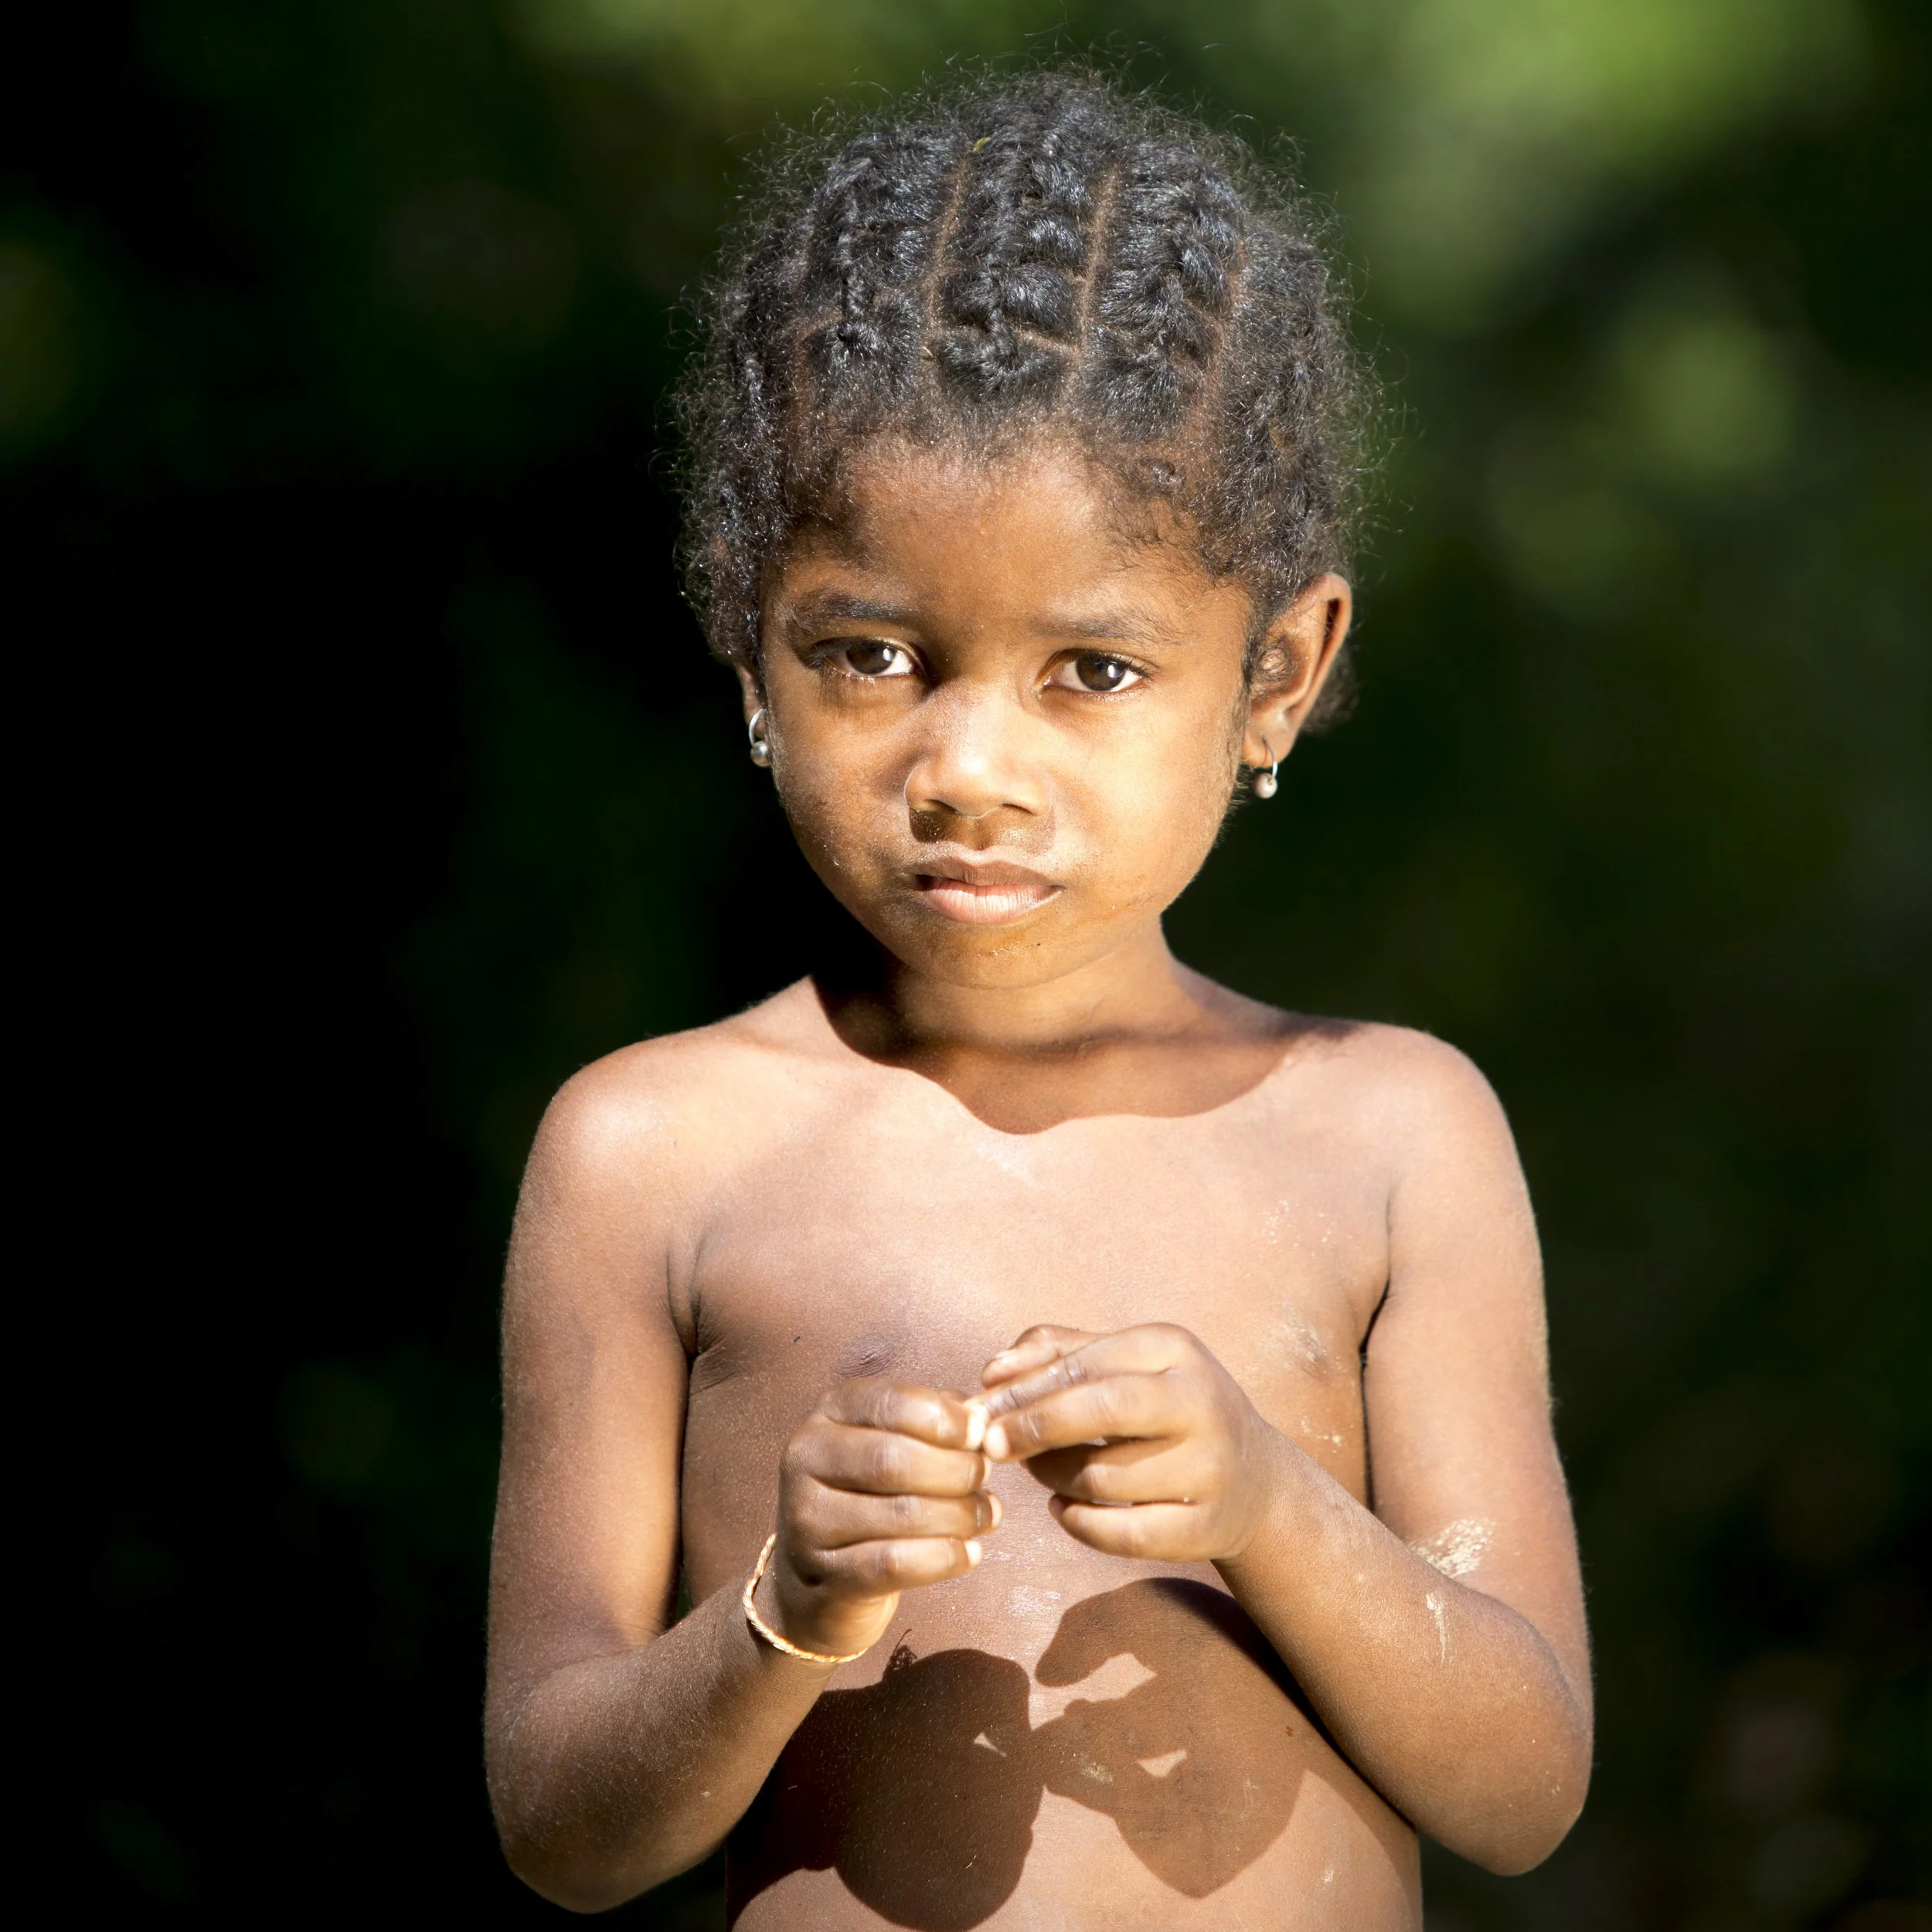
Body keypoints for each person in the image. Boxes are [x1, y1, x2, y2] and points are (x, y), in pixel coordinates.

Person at [485, 70, 1591, 1929]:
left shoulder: (1388, 1134)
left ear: (1273, 672)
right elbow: (558, 1820)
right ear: (747, 642)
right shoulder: (649, 1151)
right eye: (869, 654)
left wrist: (1271, 1507)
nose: (968, 770)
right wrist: (782, 1611)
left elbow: (1521, 1785)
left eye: (1091, 667)